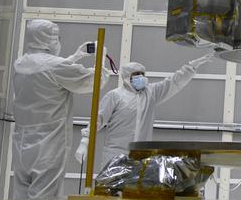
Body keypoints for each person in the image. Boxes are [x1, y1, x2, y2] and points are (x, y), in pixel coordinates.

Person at [75, 56, 214, 176]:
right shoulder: (115, 95)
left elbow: (173, 82)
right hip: (115, 154)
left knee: (134, 193)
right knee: (111, 191)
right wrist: (84, 141)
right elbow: (98, 119)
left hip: (140, 155)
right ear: (126, 77)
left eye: (142, 74)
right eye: (136, 74)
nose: (140, 77)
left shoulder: (151, 93)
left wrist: (191, 66)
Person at [10, 19, 100, 200]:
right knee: (44, 198)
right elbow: (91, 82)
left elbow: (47, 73)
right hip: (49, 143)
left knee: (21, 195)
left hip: (23, 141)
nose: (58, 42)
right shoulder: (57, 66)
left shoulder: (21, 63)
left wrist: (75, 57)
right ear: (48, 39)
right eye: (56, 38)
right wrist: (102, 60)